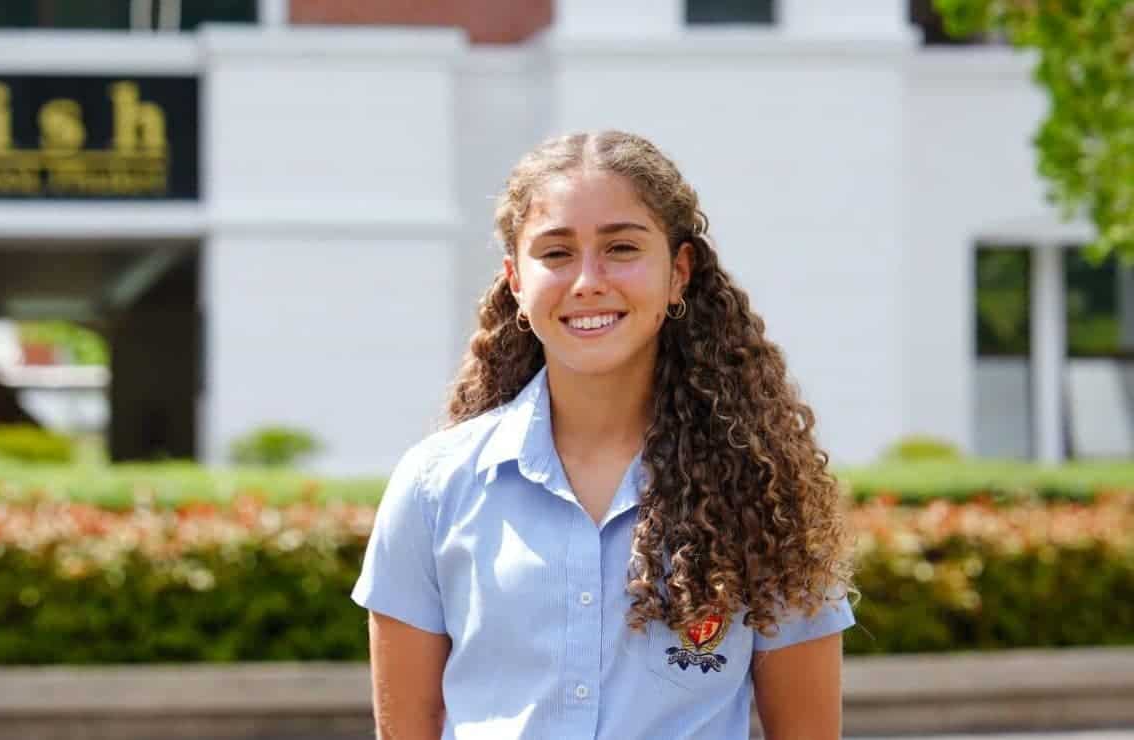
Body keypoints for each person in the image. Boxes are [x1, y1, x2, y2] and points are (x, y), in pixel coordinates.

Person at [351, 130, 858, 739]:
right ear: (515, 281)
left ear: (679, 273)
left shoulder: (763, 492)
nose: (588, 280)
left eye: (621, 248)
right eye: (556, 253)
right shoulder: (435, 487)